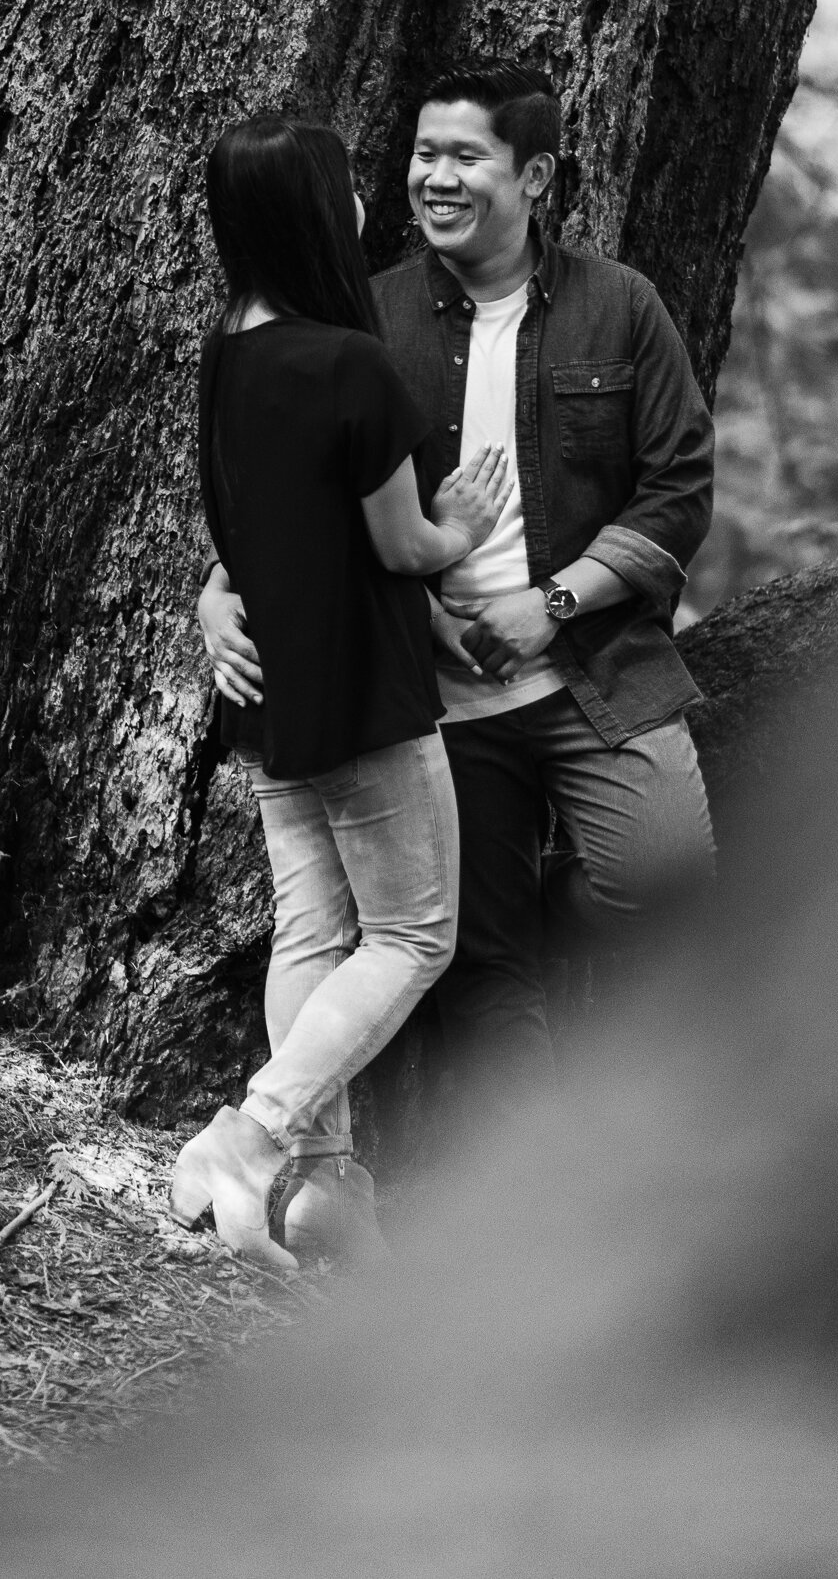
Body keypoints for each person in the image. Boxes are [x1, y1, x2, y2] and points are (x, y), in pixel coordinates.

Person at [199, 61, 717, 1123]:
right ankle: (526, 1195)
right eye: (422, 154)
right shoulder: (366, 314)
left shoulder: (620, 308)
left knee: (661, 882)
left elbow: (678, 489)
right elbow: (295, 487)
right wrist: (217, 590)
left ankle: (519, 912)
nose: (432, 177)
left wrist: (554, 602)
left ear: (535, 175)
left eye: (462, 156)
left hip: (590, 672)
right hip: (433, 698)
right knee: (479, 967)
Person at [171, 114, 508, 1270]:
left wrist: (213, 598)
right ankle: (251, 1137)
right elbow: (403, 546)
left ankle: (327, 1189)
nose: (366, 207)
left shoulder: (230, 351)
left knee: (313, 929)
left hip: (272, 694)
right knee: (414, 934)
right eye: (343, 192)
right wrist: (460, 520)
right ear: (313, 214)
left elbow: (266, 517)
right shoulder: (348, 362)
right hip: (363, 691)